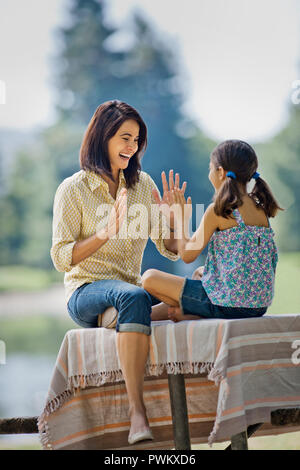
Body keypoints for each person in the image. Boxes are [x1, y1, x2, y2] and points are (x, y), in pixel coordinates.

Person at [50, 100, 186, 445]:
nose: (132, 146)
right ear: (102, 136)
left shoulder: (142, 186)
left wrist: (175, 218)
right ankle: (137, 414)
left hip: (129, 292)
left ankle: (133, 314)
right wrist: (103, 233)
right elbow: (62, 257)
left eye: (137, 139)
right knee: (134, 295)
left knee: (189, 285)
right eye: (124, 137)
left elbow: (170, 247)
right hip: (86, 292)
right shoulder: (72, 189)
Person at [142, 139, 283, 323]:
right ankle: (186, 312)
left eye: (210, 168)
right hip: (257, 306)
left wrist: (181, 219)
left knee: (149, 278)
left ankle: (134, 315)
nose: (209, 174)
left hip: (227, 304)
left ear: (221, 172)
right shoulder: (261, 208)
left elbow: (187, 255)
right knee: (200, 272)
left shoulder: (219, 209)